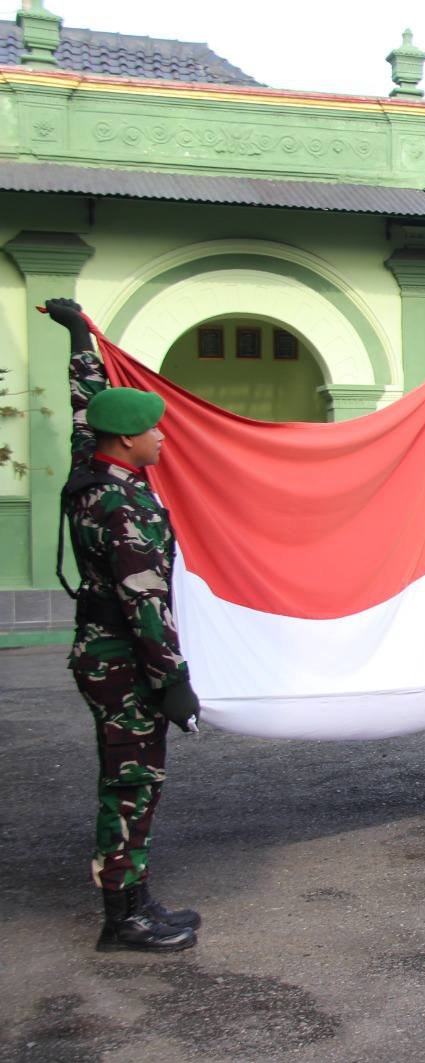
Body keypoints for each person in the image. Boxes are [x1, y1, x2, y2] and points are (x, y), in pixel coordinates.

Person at [44, 299, 203, 954]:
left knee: (129, 778)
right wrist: (174, 681)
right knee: (133, 782)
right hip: (124, 660)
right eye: (154, 431)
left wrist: (82, 340)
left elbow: (89, 405)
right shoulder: (123, 506)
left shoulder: (92, 471)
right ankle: (124, 916)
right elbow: (146, 602)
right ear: (129, 441)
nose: (162, 438)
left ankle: (135, 897)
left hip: (98, 649)